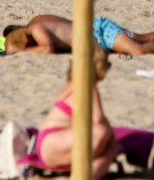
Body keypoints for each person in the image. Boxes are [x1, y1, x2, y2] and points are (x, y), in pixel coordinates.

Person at [28, 48, 119, 178]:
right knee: (103, 132)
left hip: (47, 143)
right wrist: (109, 132)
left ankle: (89, 175)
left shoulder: (72, 84)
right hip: (53, 142)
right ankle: (90, 175)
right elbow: (98, 119)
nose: (109, 66)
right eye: (107, 63)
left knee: (111, 144)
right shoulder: (88, 87)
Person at [3, 15, 154, 56]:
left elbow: (47, 48)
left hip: (98, 33)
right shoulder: (38, 20)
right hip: (97, 27)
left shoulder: (36, 29)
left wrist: (23, 52)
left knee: (138, 49)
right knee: (142, 37)